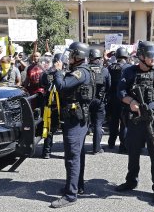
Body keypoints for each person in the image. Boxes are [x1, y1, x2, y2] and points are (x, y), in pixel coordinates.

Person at [116, 41, 154, 204]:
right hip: (135, 121)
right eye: (150, 57)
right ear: (141, 57)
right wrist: (130, 102)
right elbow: (120, 92)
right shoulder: (128, 72)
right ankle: (131, 181)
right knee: (133, 153)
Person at [50, 42, 94, 208]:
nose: (68, 58)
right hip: (78, 118)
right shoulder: (82, 70)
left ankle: (70, 195)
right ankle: (77, 186)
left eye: (70, 55)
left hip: (75, 119)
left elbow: (61, 86)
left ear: (77, 56)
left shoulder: (80, 72)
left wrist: (58, 71)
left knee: (72, 158)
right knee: (78, 155)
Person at [107, 47, 130, 153]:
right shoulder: (129, 68)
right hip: (124, 98)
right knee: (124, 123)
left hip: (112, 98)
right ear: (126, 56)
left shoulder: (110, 67)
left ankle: (111, 143)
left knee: (113, 121)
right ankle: (123, 145)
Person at [88, 48, 111, 154]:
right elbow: (108, 85)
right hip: (99, 100)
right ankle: (96, 148)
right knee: (98, 124)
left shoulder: (85, 69)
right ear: (99, 58)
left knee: (84, 124)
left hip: (86, 100)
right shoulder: (104, 70)